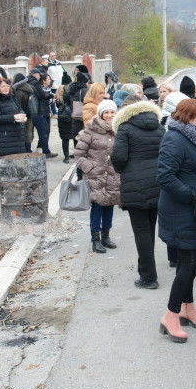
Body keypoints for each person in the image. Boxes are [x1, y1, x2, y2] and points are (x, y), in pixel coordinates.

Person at [156, 98, 196, 343]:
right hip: (181, 211)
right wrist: (192, 197)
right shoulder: (174, 138)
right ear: (187, 117)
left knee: (188, 261)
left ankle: (187, 308)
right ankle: (170, 315)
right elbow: (165, 176)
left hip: (193, 210)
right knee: (190, 261)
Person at [111, 95, 165, 286]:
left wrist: (124, 171)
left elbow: (118, 157)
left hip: (135, 184)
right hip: (157, 183)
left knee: (141, 231)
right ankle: (147, 269)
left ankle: (148, 276)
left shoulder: (125, 128)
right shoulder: (158, 127)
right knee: (150, 228)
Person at [75, 100, 120, 254]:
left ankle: (106, 236)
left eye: (112, 112)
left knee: (110, 204)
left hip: (113, 175)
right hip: (96, 175)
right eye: (106, 112)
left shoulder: (118, 130)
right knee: (98, 206)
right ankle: (95, 239)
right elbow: (79, 154)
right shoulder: (90, 131)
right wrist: (90, 168)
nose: (109, 115)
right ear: (101, 114)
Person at [0, 77, 28, 181]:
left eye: (7, 86)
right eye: (3, 86)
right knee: (8, 169)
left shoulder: (11, 98)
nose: (6, 88)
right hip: (4, 137)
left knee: (18, 167)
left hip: (16, 136)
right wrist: (13, 117)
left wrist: (22, 116)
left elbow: (20, 109)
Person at [28, 67, 57, 158]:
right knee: (43, 132)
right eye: (39, 75)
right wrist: (51, 95)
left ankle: (28, 150)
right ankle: (45, 151)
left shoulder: (26, 82)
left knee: (29, 132)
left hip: (28, 110)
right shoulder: (35, 83)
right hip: (36, 110)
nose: (39, 77)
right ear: (35, 75)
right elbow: (42, 95)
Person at [66, 70, 90, 144]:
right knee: (83, 135)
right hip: (82, 115)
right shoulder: (84, 91)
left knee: (75, 135)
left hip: (74, 114)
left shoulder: (71, 89)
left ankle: (76, 152)